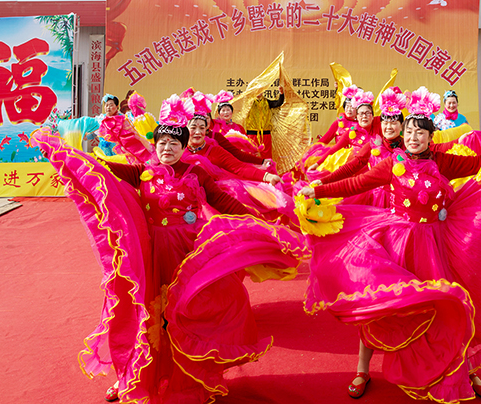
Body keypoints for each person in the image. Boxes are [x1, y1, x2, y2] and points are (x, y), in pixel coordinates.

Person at [31, 95, 308, 403]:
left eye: (174, 144)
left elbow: (223, 201)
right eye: (162, 142)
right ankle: (130, 377)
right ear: (156, 145)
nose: (167, 148)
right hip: (150, 256)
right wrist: (70, 154)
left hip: (188, 255)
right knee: (142, 316)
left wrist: (258, 222)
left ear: (183, 146)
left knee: (183, 317)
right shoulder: (141, 171)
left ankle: (189, 378)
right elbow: (103, 170)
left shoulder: (198, 172)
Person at [298, 86, 481, 402]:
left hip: (439, 246)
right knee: (382, 306)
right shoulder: (391, 162)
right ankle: (362, 369)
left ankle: (465, 369)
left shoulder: (441, 161)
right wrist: (319, 191)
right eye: (409, 130)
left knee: (454, 308)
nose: (412, 137)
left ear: (430, 136)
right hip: (398, 244)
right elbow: (356, 182)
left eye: (419, 132)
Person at [245, 85, 284, 159]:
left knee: (267, 157)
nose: (258, 92)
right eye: (256, 90)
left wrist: (281, 93)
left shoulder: (267, 102)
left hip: (265, 134)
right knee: (251, 156)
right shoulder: (248, 103)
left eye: (260, 90)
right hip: (252, 133)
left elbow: (278, 103)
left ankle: (267, 170)